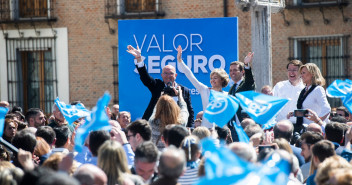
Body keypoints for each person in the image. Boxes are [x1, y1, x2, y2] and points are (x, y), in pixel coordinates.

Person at [127, 45, 194, 127]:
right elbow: (145, 77)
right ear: (162, 75)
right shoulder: (157, 85)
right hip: (156, 126)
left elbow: (189, 110)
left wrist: (190, 127)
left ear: (176, 75)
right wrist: (139, 58)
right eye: (165, 73)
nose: (168, 75)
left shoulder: (183, 90)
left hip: (176, 126)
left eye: (171, 73)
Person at [177, 45, 230, 128]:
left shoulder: (228, 95)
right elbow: (190, 76)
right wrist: (180, 61)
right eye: (211, 78)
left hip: (222, 130)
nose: (212, 80)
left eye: (215, 78)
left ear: (222, 80)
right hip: (206, 130)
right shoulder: (205, 90)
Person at [288, 63, 331, 134]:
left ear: (312, 74)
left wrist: (317, 123)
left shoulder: (318, 89)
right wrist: (295, 113)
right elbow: (307, 112)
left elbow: (327, 109)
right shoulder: (304, 90)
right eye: (301, 73)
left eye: (304, 73)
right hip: (303, 129)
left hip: (314, 131)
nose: (301, 75)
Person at [227, 52, 255, 142]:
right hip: (233, 129)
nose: (232, 73)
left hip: (245, 128)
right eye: (231, 70)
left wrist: (246, 64)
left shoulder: (246, 84)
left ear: (242, 72)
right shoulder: (232, 88)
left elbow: (250, 79)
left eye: (235, 70)